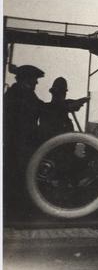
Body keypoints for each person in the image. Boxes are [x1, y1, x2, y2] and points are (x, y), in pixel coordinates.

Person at [4, 64, 46, 212]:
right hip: (17, 144)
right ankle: (18, 211)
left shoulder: (22, 93)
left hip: (21, 142)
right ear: (26, 79)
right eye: (35, 79)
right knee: (19, 175)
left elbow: (41, 106)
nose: (36, 82)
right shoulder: (20, 94)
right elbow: (39, 109)